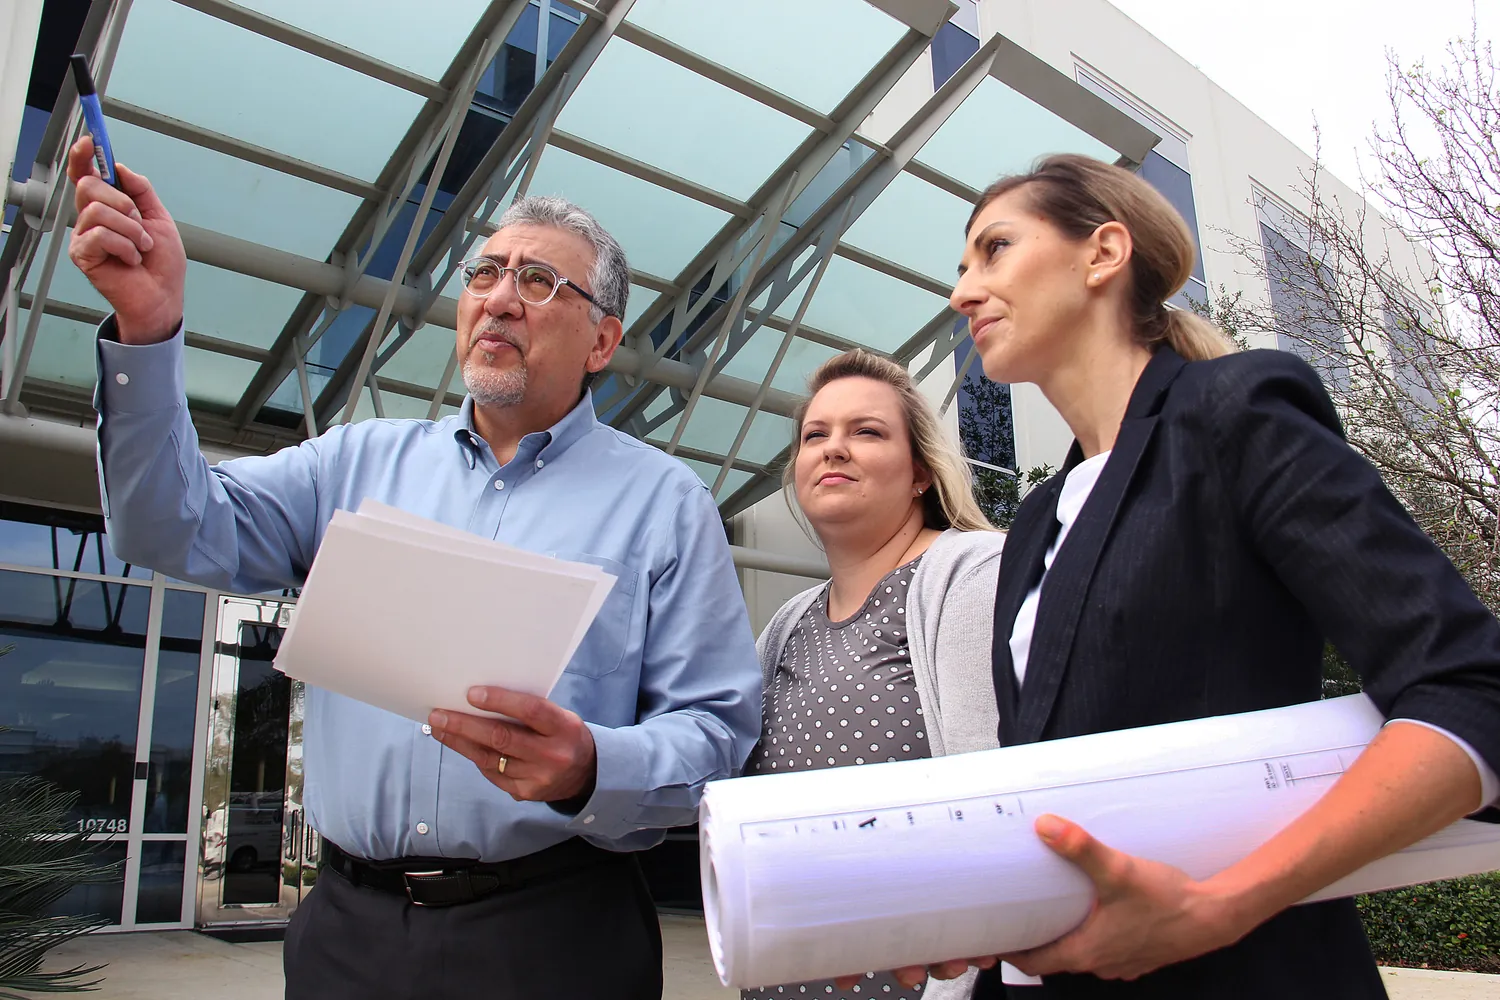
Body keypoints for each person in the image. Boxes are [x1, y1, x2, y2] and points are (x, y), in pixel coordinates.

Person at [64, 135, 762, 1000]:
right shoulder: (351, 464)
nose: (501, 298)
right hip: (347, 935)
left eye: (539, 282)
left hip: (558, 937)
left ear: (601, 341)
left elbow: (717, 734)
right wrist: (149, 325)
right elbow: (169, 526)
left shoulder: (666, 503)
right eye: (485, 274)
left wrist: (591, 764)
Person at [882, 152, 1500, 998]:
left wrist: (1221, 904)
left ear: (1103, 253)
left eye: (993, 250)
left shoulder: (1234, 413)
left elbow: (1470, 689)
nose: (962, 293)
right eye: (961, 268)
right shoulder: (1034, 522)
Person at [743, 349, 1007, 1000]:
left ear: (920, 471)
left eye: (866, 431)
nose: (834, 449)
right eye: (815, 435)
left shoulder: (973, 574)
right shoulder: (786, 624)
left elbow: (993, 810)